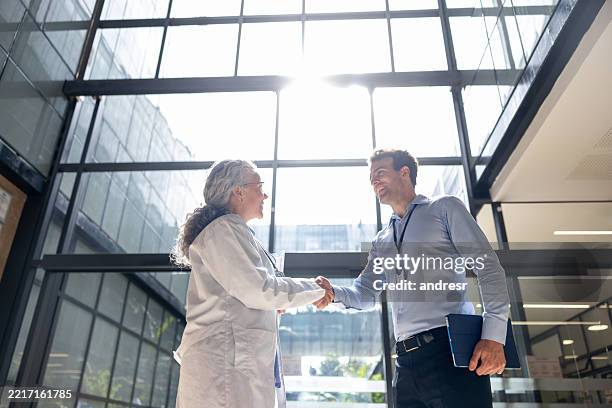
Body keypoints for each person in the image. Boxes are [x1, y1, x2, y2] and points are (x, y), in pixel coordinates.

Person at [315, 149, 510, 408]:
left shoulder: (444, 208)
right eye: (371, 178)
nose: (374, 182)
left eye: (380, 173)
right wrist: (334, 292)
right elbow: (365, 293)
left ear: (404, 172)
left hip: (449, 349)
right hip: (405, 362)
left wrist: (495, 336)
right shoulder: (382, 240)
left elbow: (489, 269)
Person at [171, 159, 327, 408]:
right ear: (238, 191)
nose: (264, 194)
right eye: (259, 186)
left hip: (229, 365)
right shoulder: (223, 229)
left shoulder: (232, 231)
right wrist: (316, 289)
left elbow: (252, 292)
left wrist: (272, 303)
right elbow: (260, 289)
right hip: (222, 367)